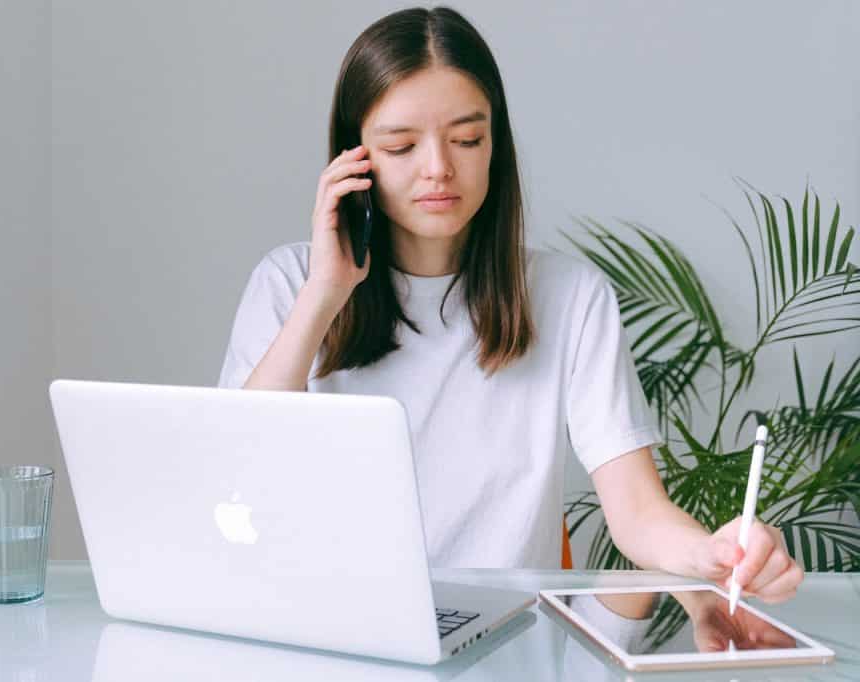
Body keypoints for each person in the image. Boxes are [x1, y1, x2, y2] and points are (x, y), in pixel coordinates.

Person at [217, 6, 803, 603]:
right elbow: (237, 474)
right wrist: (324, 294)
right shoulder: (289, 284)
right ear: (352, 162)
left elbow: (638, 513)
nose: (439, 168)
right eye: (400, 147)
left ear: (495, 145)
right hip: (327, 626)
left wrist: (713, 555)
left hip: (508, 641)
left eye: (467, 139)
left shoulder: (571, 297)